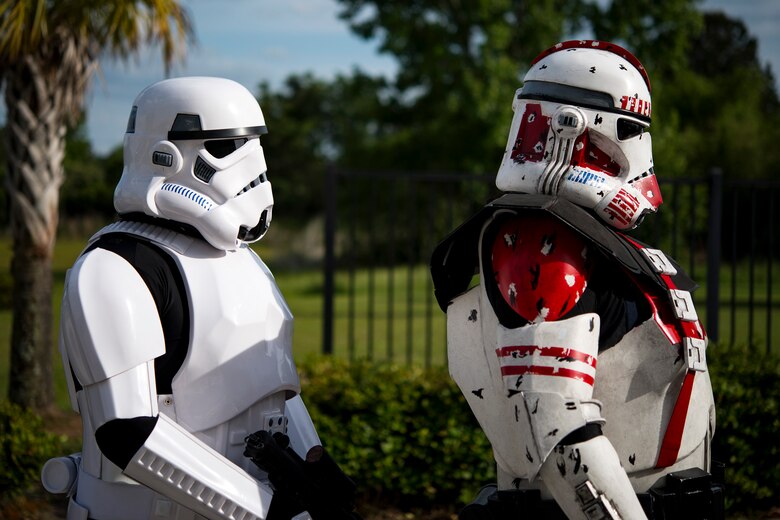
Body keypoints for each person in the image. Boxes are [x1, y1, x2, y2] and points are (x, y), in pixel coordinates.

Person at [42, 77, 358, 520]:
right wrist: (263, 509)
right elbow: (127, 431)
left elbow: (276, 392)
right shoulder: (112, 268)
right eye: (227, 147)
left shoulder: (245, 263)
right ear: (164, 156)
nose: (253, 167)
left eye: (254, 144)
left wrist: (313, 478)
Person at [431, 41, 722, 519]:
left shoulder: (586, 238)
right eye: (630, 129)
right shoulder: (540, 241)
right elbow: (555, 426)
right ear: (569, 125)